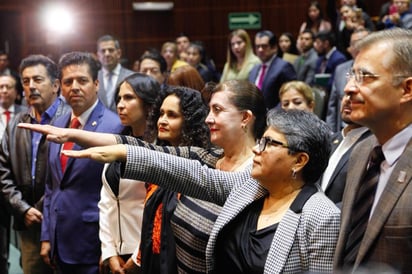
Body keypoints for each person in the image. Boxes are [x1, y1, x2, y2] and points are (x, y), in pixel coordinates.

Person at [19, 79, 267, 274]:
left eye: (217, 110)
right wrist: (72, 135)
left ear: (245, 117)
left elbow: (177, 169)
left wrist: (121, 152)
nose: (208, 118)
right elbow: (146, 148)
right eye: (209, 109)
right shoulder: (208, 156)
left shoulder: (257, 172)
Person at [61, 109, 340, 273]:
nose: (257, 148)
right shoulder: (251, 189)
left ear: (299, 160)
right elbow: (196, 175)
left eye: (269, 143)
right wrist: (124, 152)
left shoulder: (320, 216)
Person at [331, 28, 412, 273]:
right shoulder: (362, 150)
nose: (349, 89)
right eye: (351, 75)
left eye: (365, 77)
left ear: (407, 89)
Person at [40, 51, 123, 274]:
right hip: (59, 240)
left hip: (93, 242)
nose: (75, 87)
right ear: (60, 86)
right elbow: (52, 186)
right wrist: (47, 235)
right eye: (68, 81)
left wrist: (110, 248)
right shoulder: (58, 124)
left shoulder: (114, 128)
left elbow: (120, 196)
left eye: (82, 80)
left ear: (96, 84)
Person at [0, 54, 71, 274]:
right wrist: (23, 209)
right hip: (29, 224)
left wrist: (39, 209)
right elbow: (2, 172)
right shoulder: (18, 123)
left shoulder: (71, 120)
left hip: (63, 221)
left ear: (56, 85)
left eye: (38, 80)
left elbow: (68, 174)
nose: (31, 86)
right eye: (26, 81)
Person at [99, 73, 160, 274]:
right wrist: (108, 251)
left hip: (147, 254)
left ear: (149, 104)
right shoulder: (118, 142)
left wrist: (138, 256)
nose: (120, 105)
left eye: (129, 98)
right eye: (118, 98)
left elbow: (158, 211)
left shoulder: (160, 149)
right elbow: (106, 201)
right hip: (116, 252)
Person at [320, 94, 370, 205]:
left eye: (357, 97)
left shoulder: (375, 147)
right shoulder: (328, 140)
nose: (347, 100)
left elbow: (362, 200)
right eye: (346, 95)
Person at [326, 27, 369, 133]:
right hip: (342, 130)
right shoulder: (340, 69)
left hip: (367, 130)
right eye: (354, 43)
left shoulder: (378, 70)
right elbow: (333, 106)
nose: (358, 47)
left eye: (363, 42)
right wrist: (332, 134)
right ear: (349, 48)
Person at [248, 30, 297, 110]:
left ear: (274, 47)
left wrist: (273, 115)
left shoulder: (284, 67)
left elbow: (290, 95)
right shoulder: (254, 69)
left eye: (264, 46)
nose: (260, 50)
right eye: (257, 46)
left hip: (276, 117)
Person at [96, 34, 134, 112]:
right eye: (103, 51)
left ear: (119, 53)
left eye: (111, 50)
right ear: (98, 55)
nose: (107, 54)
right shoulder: (93, 77)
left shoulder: (131, 76)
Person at [0, 75, 27, 140]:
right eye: (1, 87)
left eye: (8, 87)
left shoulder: (26, 113)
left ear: (16, 92)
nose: (4, 91)